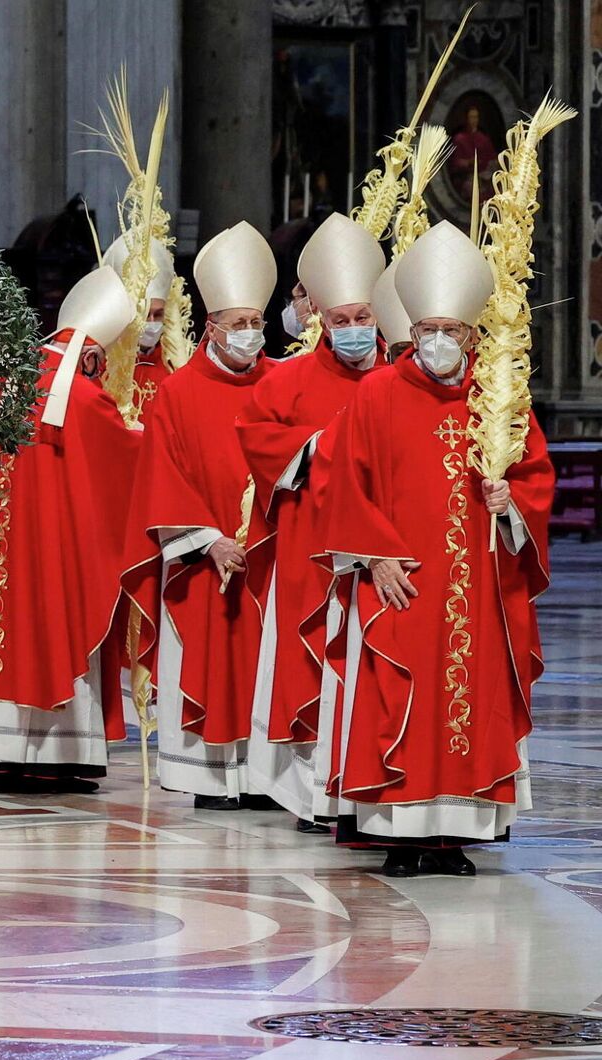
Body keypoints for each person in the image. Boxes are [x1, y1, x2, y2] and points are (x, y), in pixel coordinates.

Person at [318, 221, 552, 877]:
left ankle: (453, 837)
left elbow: (533, 479)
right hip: (405, 577)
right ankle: (401, 833)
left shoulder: (499, 398)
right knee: (402, 698)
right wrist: (375, 555)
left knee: (471, 700)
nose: (440, 343)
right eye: (429, 332)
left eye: (453, 332)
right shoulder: (377, 393)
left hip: (478, 583)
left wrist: (513, 508)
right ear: (412, 333)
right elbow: (345, 483)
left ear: (473, 337)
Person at [0, 266, 141, 793]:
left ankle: (3, 750)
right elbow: (128, 460)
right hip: (55, 551)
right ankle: (60, 756)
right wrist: (142, 434)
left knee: (1, 625)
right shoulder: (85, 397)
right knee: (53, 625)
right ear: (91, 355)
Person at [235, 213, 385, 830]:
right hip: (310, 549)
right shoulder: (289, 379)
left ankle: (370, 785)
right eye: (341, 319)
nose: (352, 331)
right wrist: (323, 449)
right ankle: (310, 796)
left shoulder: (400, 378)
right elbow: (256, 435)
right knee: (309, 667)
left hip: (383, 554)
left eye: (362, 318)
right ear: (321, 318)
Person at [123, 221, 277, 811]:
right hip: (203, 561)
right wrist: (209, 542)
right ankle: (210, 776)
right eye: (238, 325)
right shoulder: (180, 393)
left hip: (267, 559)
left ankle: (264, 775)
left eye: (255, 324)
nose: (249, 335)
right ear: (211, 327)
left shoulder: (279, 384)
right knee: (213, 660)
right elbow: (163, 477)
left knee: (263, 666)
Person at [102, 238, 176, 413]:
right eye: (143, 314)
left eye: (158, 314)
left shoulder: (174, 368)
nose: (151, 323)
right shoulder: (103, 367)